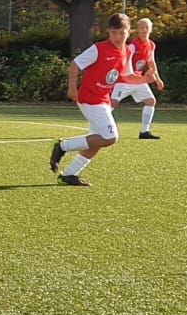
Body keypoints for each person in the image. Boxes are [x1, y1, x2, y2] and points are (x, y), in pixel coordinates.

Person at [49, 13, 153, 186]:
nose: (117, 37)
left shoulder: (127, 50)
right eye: (113, 32)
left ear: (129, 32)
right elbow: (75, 64)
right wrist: (72, 87)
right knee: (110, 137)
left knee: (97, 141)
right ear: (108, 32)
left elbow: (127, 76)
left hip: (103, 99)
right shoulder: (99, 48)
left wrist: (145, 79)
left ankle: (68, 175)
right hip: (89, 99)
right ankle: (62, 146)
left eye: (121, 32)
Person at [111, 17, 165, 139]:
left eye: (146, 27)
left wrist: (157, 79)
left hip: (138, 79)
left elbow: (151, 63)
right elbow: (124, 60)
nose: (144, 30)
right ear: (137, 30)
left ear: (150, 29)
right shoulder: (133, 46)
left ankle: (144, 132)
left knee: (150, 101)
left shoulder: (151, 45)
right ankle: (99, 127)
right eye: (141, 28)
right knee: (112, 104)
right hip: (125, 79)